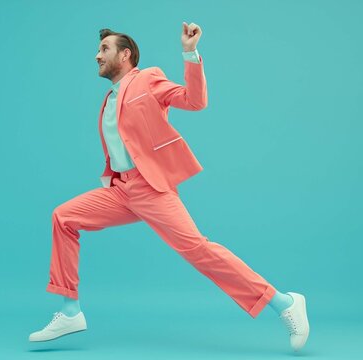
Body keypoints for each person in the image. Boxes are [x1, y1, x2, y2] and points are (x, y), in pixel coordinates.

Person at [29, 22, 310, 352]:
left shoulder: (147, 79)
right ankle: (70, 310)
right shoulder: (109, 98)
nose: (97, 55)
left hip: (151, 189)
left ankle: (284, 303)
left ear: (125, 54)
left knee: (200, 252)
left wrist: (189, 53)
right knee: (63, 217)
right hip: (121, 189)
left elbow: (194, 100)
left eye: (104, 49)